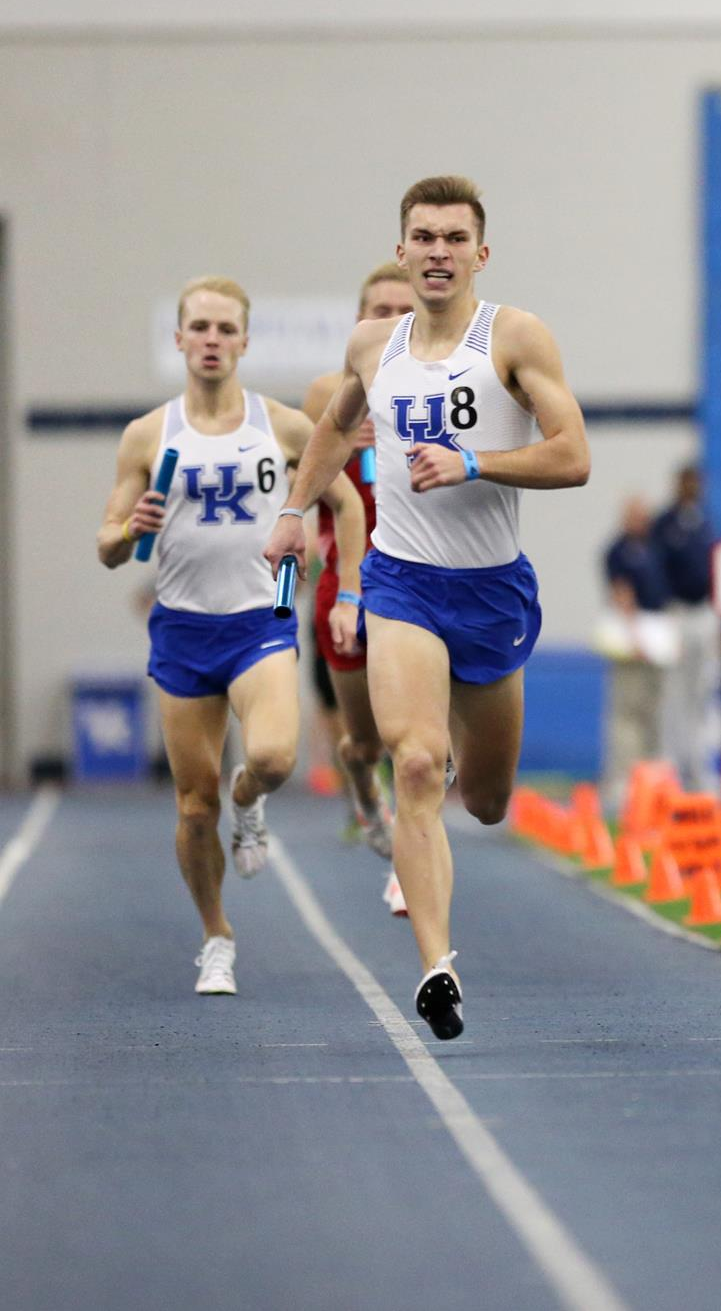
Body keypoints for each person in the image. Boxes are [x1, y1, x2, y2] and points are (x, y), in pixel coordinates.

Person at [265, 176, 591, 1040]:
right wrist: (296, 511)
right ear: (402, 250)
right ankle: (437, 968)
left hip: (489, 591)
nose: (438, 250)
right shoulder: (374, 344)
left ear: (480, 254)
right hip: (402, 580)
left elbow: (573, 456)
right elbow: (336, 426)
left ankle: (450, 778)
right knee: (412, 763)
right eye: (424, 236)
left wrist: (477, 463)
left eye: (455, 237)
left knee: (483, 800)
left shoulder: (514, 336)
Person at [98, 275, 368, 995]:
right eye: (201, 328)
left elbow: (344, 502)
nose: (212, 340)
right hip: (183, 633)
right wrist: (132, 529)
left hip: (260, 623)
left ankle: (252, 802)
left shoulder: (280, 426)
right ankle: (216, 934)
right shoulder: (148, 435)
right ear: (180, 338)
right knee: (194, 804)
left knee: (274, 758)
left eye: (226, 329)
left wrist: (352, 588)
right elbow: (105, 544)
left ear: (244, 342)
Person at [302, 261, 417, 916]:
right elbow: (306, 477)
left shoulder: (441, 388)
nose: (391, 322)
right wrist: (348, 433)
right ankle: (360, 782)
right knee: (367, 741)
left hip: (419, 581)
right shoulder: (328, 393)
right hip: (345, 589)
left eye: (403, 311)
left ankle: (409, 857)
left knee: (418, 739)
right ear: (357, 323)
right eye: (378, 311)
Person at [601, 495, 675, 809]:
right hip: (633, 636)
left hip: (656, 636)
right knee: (626, 713)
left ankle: (653, 779)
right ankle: (622, 780)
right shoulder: (619, 550)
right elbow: (621, 593)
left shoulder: (654, 548)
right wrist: (634, 635)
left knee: (654, 711)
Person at [653, 466, 720, 793]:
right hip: (677, 612)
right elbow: (657, 570)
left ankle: (698, 768)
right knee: (673, 693)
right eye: (688, 482)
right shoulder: (665, 524)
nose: (693, 488)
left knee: (701, 692)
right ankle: (671, 768)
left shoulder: (705, 523)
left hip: (704, 612)